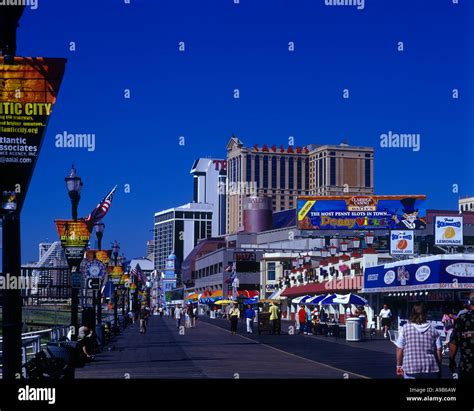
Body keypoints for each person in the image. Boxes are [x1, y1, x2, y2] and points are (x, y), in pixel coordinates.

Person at [395, 303, 442, 379]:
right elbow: (439, 350)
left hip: (410, 367)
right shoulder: (433, 329)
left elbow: (399, 349)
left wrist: (398, 367)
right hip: (430, 367)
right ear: (425, 313)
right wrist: (439, 368)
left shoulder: (405, 328)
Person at [449, 293, 474, 379]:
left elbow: (453, 343)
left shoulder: (462, 318)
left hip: (467, 366)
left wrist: (451, 361)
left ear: (470, 303)